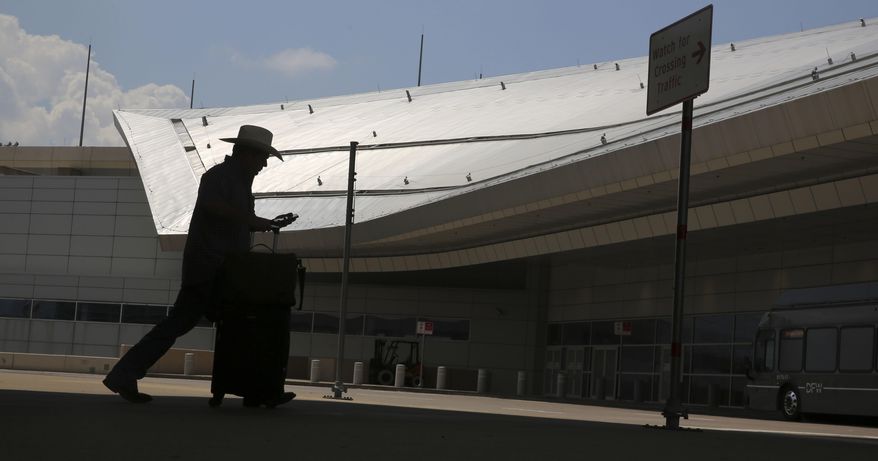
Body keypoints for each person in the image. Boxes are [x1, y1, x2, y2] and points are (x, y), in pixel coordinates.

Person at [103, 124, 296, 406]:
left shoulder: (239, 182)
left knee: (224, 325)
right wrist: (254, 221)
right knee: (235, 324)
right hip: (209, 270)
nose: (264, 164)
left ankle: (253, 388)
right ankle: (256, 389)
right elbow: (214, 207)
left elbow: (236, 219)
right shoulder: (218, 177)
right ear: (245, 154)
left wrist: (263, 223)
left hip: (221, 271)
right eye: (261, 158)